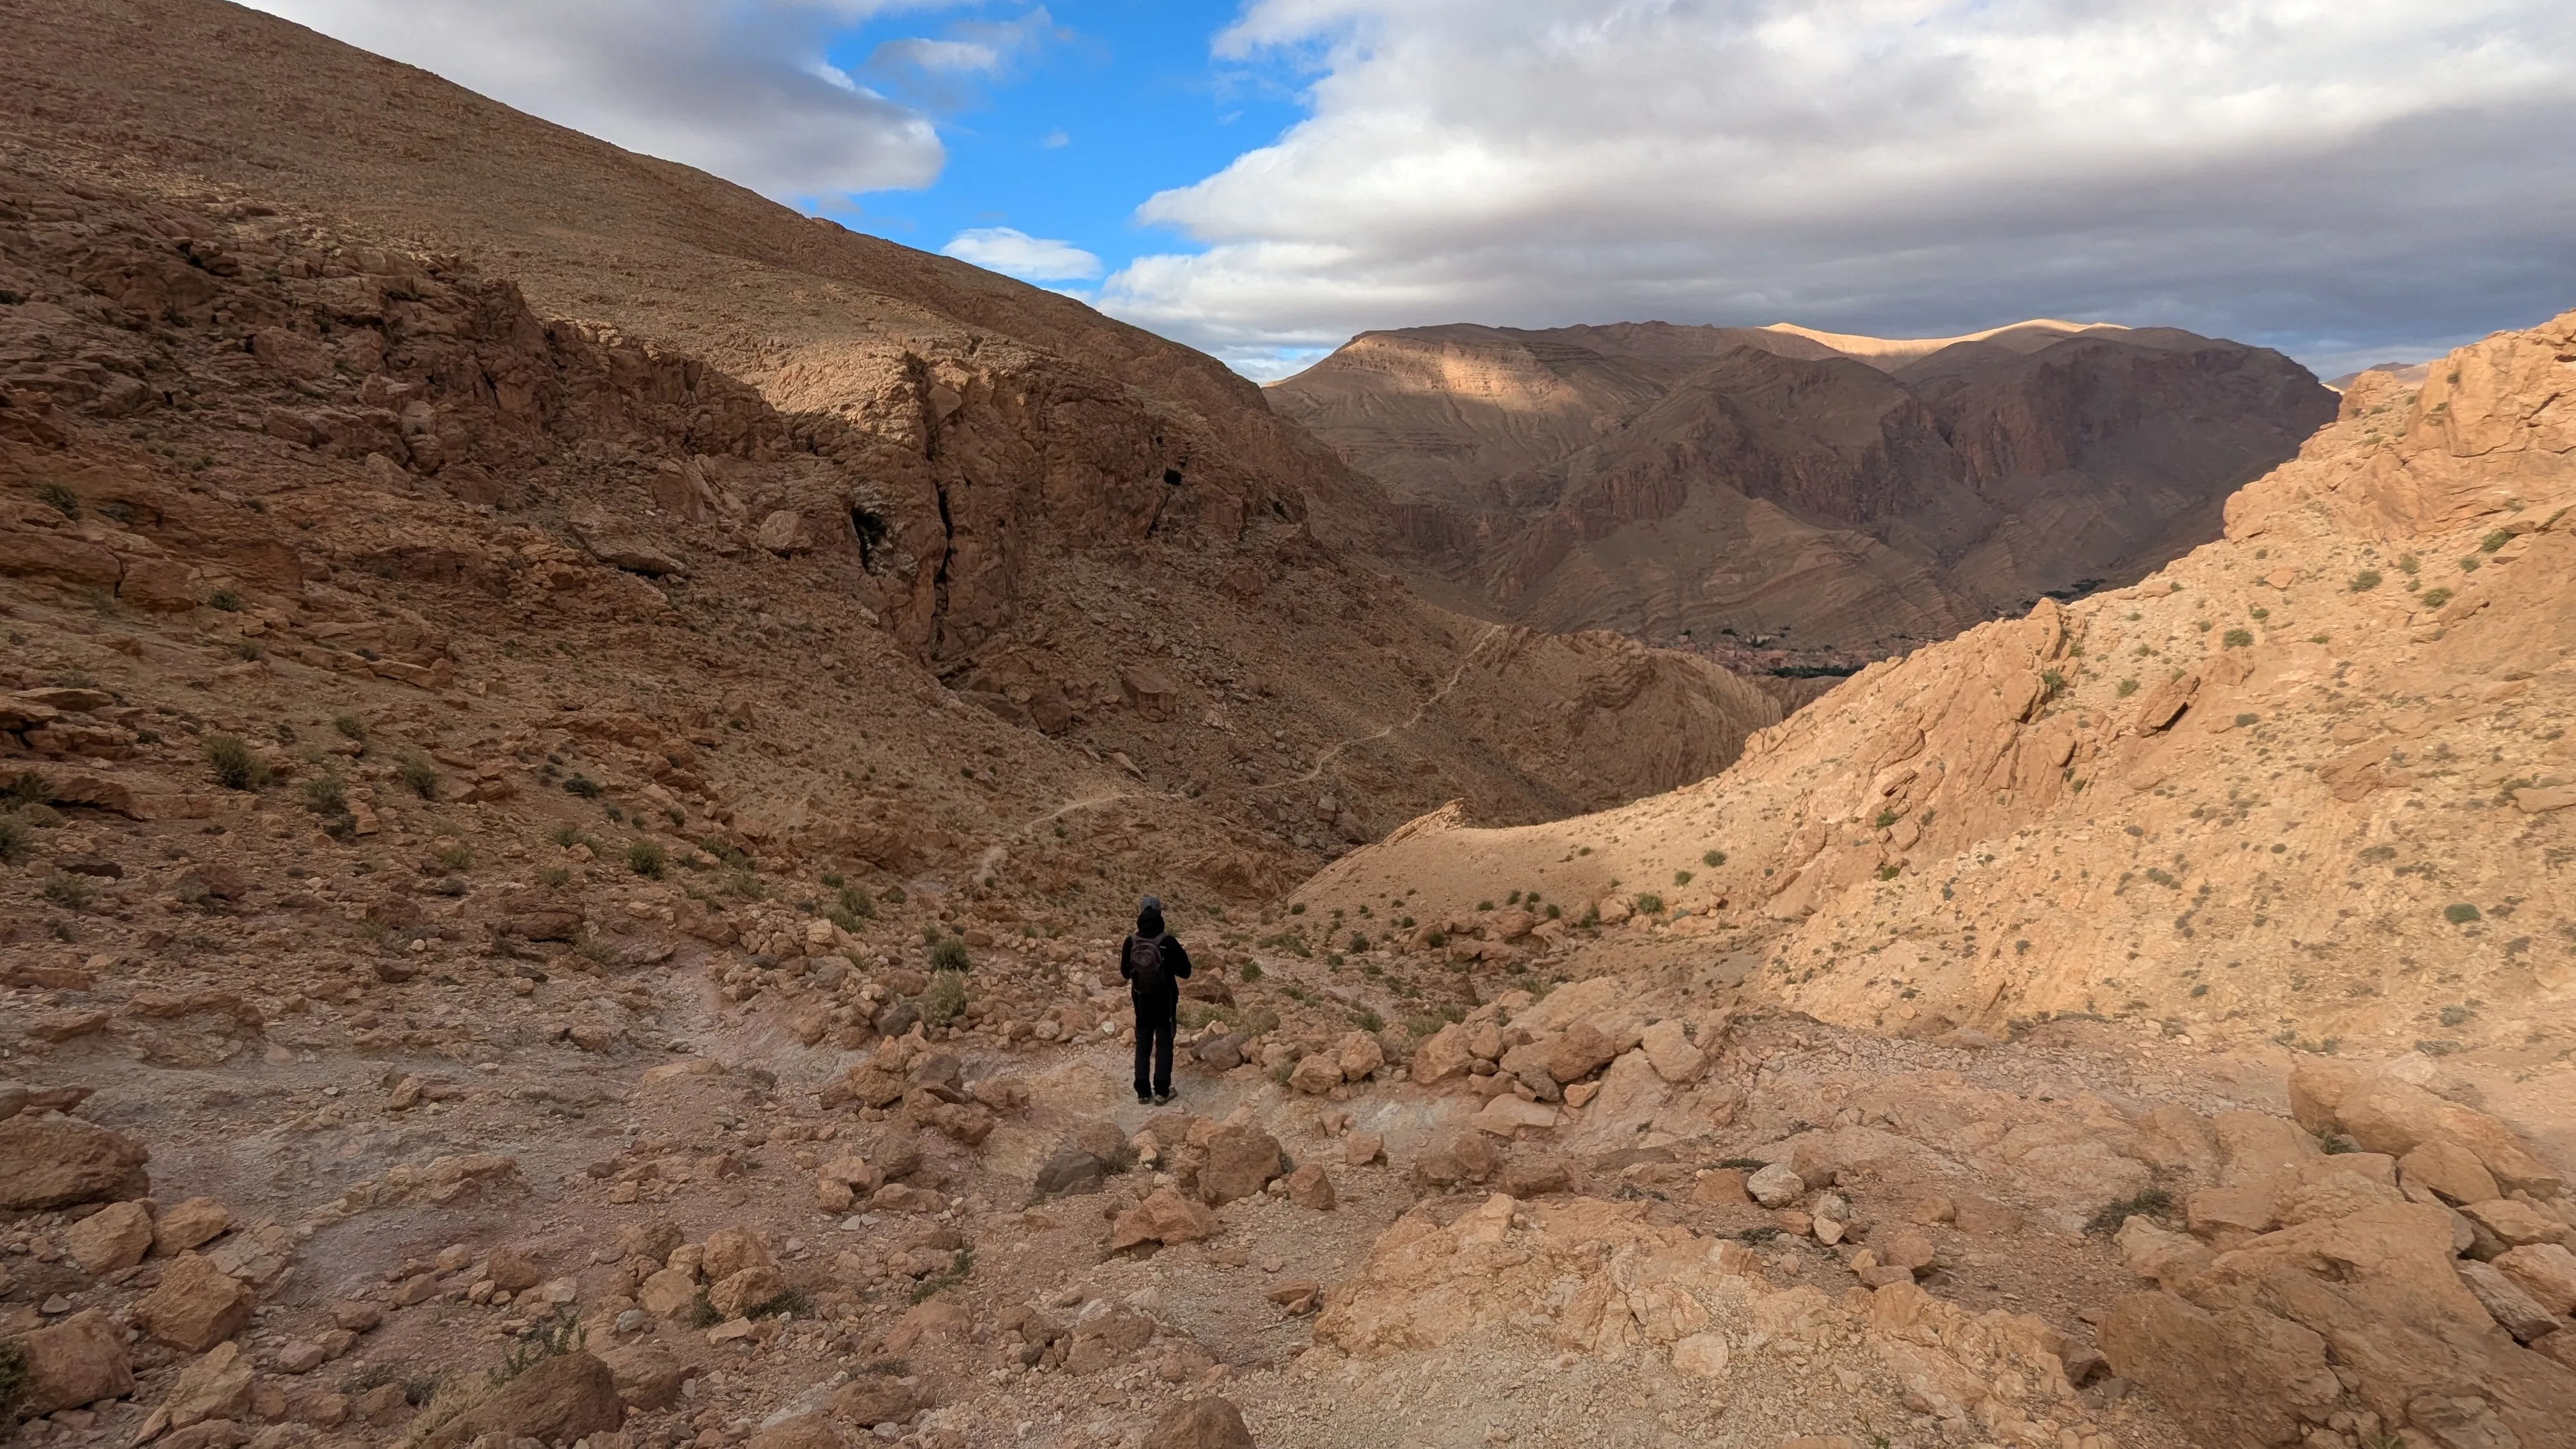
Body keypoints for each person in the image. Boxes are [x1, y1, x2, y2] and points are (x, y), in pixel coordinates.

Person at [1119, 894, 1193, 1105]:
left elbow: (1125, 973)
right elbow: (1186, 972)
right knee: (1164, 1043)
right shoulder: (1167, 942)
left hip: (1141, 1002)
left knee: (1143, 1042)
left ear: (1140, 914)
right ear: (1160, 914)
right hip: (1165, 1001)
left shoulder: (1131, 942)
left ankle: (1143, 1091)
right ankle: (1161, 1091)